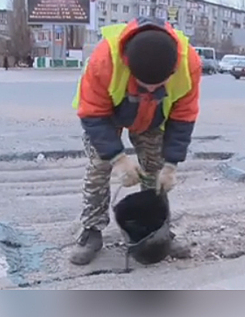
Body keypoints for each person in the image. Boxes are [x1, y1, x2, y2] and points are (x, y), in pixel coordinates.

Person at [70, 16, 202, 266]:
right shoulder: (104, 60)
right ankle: (91, 231)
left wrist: (171, 165)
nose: (151, 91)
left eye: (158, 86)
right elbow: (93, 113)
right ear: (128, 65)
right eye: (145, 85)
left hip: (153, 117)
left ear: (172, 69)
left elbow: (183, 116)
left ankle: (156, 230)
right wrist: (118, 159)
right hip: (107, 114)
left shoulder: (189, 64)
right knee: (99, 166)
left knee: (155, 169)